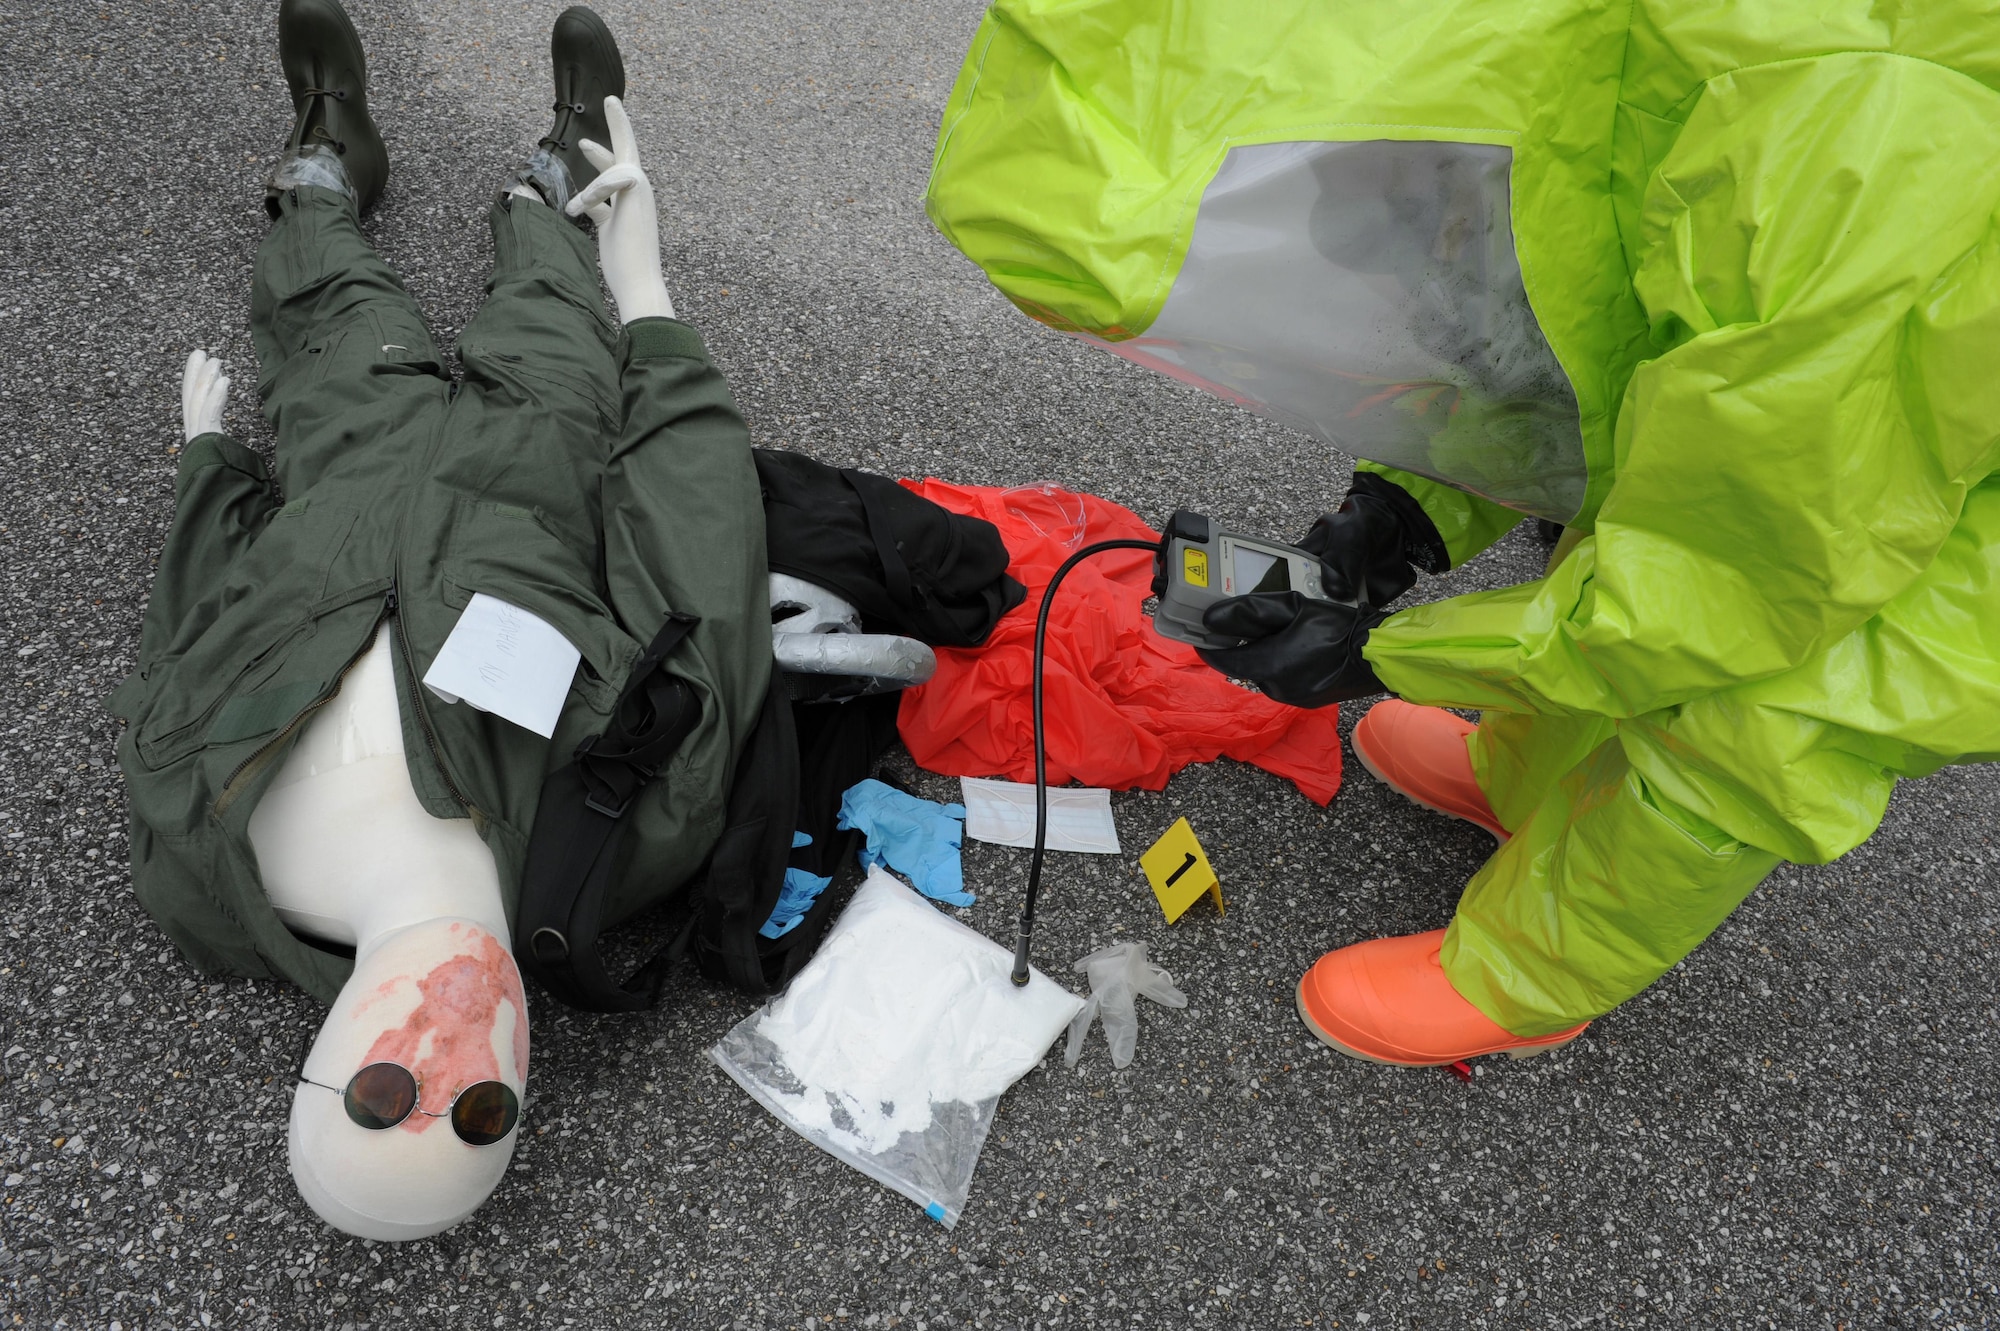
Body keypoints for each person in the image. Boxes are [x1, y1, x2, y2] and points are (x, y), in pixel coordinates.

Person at [923, 1, 2000, 1065]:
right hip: (1816, 424)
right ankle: (1525, 783)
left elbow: (1716, 586)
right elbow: (1595, 350)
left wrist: (1379, 656)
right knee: (1628, 518)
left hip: (1925, 515)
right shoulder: (1618, 76)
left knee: (1763, 712)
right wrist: (1399, 512)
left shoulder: (1835, 183)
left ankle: (1526, 977)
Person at [111, 0, 769, 1236]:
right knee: (553, 297)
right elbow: (701, 564)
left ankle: (324, 154)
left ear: (318, 1059)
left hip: (350, 467)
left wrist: (207, 474)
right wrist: (650, 302)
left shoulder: (206, 866)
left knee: (320, 298)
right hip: (530, 468)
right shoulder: (622, 833)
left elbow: (190, 647)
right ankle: (555, 167)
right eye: (480, 1115)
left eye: (378, 1093)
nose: (447, 1050)